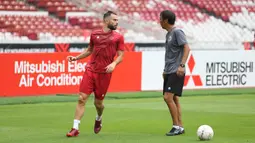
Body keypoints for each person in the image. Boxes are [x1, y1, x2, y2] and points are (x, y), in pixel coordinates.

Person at [66, 11, 124, 137]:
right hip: (90, 70)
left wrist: (114, 64)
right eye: (114, 20)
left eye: (117, 20)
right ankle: (75, 128)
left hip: (104, 74)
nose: (116, 22)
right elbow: (89, 50)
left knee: (98, 104)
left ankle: (98, 117)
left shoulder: (118, 37)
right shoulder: (94, 34)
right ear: (106, 21)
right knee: (81, 98)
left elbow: (121, 56)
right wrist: (76, 58)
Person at [159, 10, 190, 136]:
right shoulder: (169, 34)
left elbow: (186, 48)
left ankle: (176, 126)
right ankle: (180, 126)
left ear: (166, 20)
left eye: (160, 18)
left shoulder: (177, 32)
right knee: (174, 98)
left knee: (167, 97)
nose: (159, 21)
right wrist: (165, 71)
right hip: (169, 71)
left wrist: (182, 65)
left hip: (176, 70)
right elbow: (171, 55)